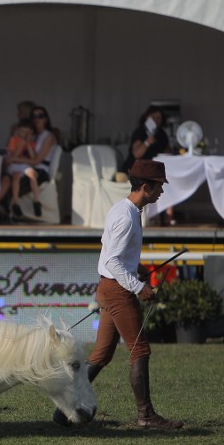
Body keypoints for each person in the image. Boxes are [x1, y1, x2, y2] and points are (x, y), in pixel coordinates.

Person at [66, 159, 183, 430]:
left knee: (101, 356)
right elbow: (112, 262)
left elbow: (112, 253)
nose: (162, 192)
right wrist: (138, 286)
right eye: (159, 187)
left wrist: (137, 269)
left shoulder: (125, 209)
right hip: (117, 291)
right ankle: (146, 416)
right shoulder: (126, 216)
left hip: (110, 288)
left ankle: (66, 409)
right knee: (140, 349)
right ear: (145, 186)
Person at [0, 105, 57, 219]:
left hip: (40, 170)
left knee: (11, 181)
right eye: (34, 116)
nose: (37, 119)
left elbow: (36, 161)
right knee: (5, 179)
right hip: (25, 167)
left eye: (40, 116)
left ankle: (2, 209)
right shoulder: (32, 135)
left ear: (46, 119)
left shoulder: (48, 136)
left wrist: (14, 159)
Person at [122, 105, 174, 225]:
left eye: (159, 118)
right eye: (153, 117)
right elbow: (136, 153)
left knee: (169, 180)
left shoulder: (161, 134)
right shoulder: (140, 132)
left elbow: (168, 150)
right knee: (153, 183)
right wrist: (147, 142)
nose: (156, 120)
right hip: (137, 169)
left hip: (154, 169)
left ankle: (167, 215)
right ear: (147, 117)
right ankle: (154, 216)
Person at [5, 119, 42, 217]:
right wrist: (21, 144)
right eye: (22, 132)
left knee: (32, 175)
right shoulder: (14, 140)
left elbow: (33, 157)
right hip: (15, 165)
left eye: (28, 132)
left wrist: (29, 144)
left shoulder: (32, 142)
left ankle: (36, 200)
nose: (24, 134)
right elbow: (14, 157)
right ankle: (16, 202)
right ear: (18, 131)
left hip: (24, 165)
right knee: (16, 177)